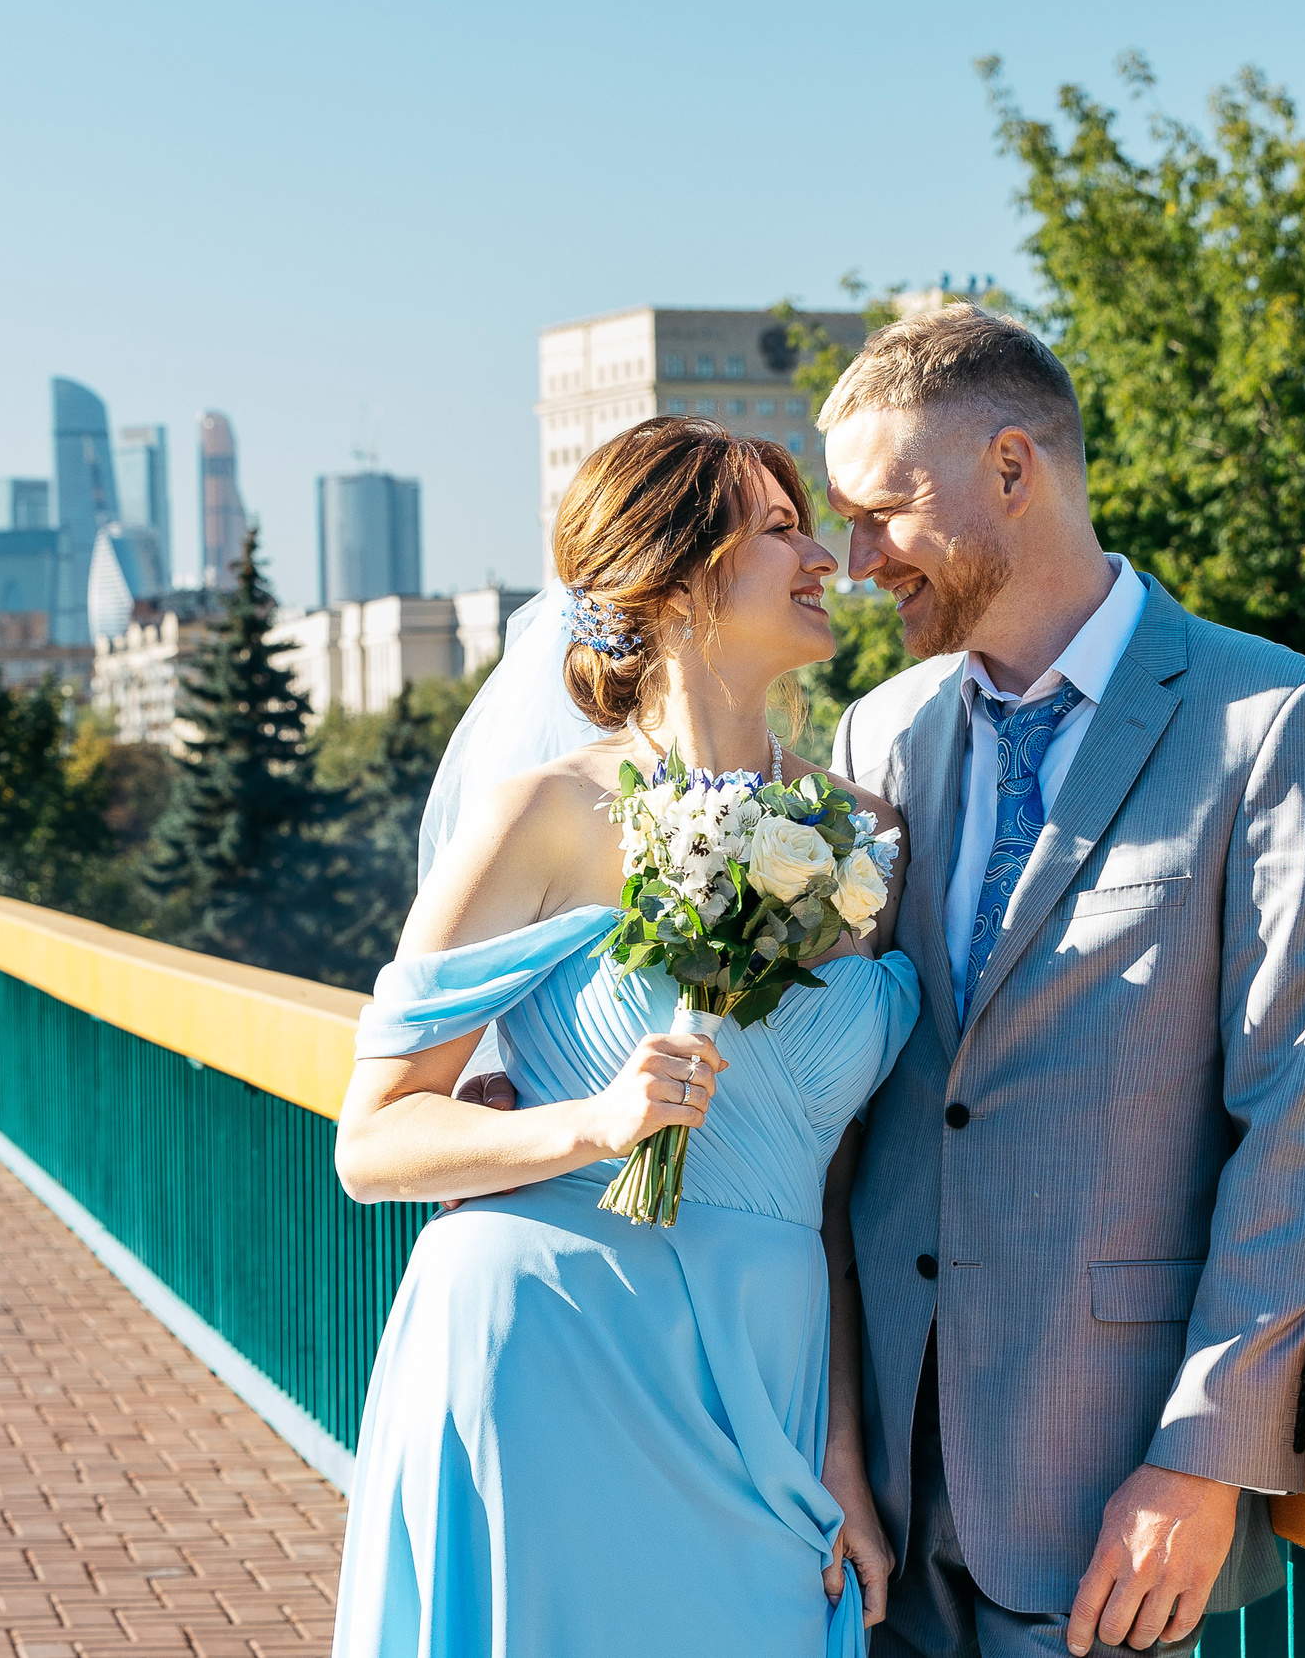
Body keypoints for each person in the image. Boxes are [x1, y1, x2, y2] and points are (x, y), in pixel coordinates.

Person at [818, 305, 1305, 1658]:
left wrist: (1201, 1458)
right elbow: (850, 1115)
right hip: (875, 1520)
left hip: (1107, 1519)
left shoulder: (1276, 723)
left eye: (884, 511)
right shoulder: (880, 733)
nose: (855, 561)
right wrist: (834, 1434)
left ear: (1011, 469)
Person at [330, 417, 920, 1658]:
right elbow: (372, 1141)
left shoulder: (856, 836)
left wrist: (845, 1460)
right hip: (549, 1351)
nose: (826, 558)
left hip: (771, 1376)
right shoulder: (542, 819)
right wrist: (594, 1124)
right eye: (780, 530)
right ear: (678, 576)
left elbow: (839, 1196)